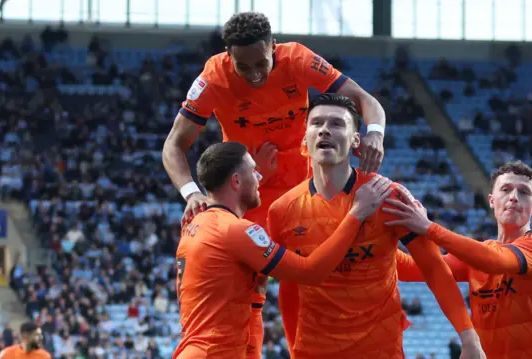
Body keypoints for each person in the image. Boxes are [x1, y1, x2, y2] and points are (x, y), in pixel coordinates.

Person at [267, 94, 484, 358]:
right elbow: (289, 288)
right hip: (315, 350)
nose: (325, 129)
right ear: (304, 140)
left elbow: (433, 267)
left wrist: (469, 338)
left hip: (381, 350)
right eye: (317, 123)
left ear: (356, 140)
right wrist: (293, 349)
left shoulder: (389, 195)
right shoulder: (282, 211)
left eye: (337, 124)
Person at [163, 11, 386, 229]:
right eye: (243, 67)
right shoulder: (213, 80)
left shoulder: (298, 60)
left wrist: (375, 133)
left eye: (261, 63)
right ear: (228, 55)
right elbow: (173, 144)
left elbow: (363, 99)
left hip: (307, 182)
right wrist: (191, 193)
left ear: (273, 46)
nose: (254, 74)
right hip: (249, 188)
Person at [173, 141, 393, 359]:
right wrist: (357, 213)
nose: (260, 179)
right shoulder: (236, 232)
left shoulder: (194, 225)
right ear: (237, 181)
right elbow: (310, 272)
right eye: (254, 172)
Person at [385, 161, 532, 358]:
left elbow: (495, 261)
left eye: (524, 192)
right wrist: (373, 243)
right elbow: (413, 269)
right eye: (505, 189)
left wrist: (429, 228)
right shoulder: (480, 253)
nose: (513, 197)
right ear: (491, 200)